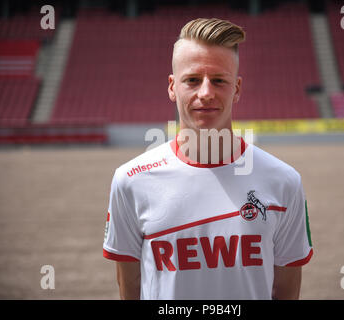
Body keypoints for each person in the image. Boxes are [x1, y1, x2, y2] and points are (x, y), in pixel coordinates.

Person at [103, 18, 313, 300]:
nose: (205, 93)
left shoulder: (283, 181)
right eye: (192, 80)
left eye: (218, 80)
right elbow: (129, 288)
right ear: (172, 87)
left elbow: (286, 290)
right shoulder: (130, 181)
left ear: (236, 88)